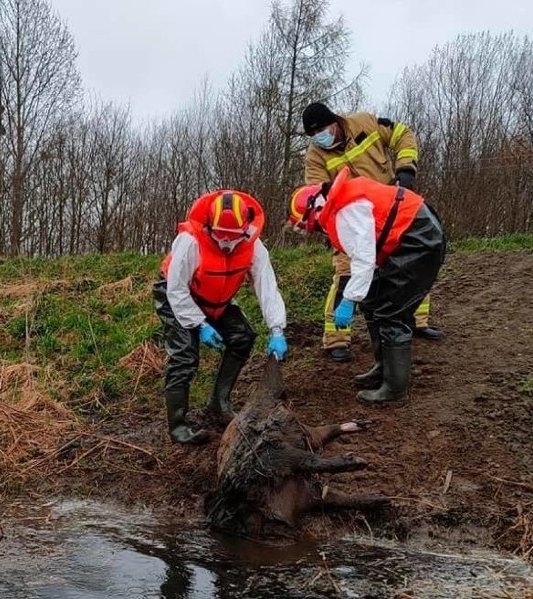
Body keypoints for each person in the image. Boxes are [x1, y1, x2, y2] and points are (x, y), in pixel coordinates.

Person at [287, 167, 445, 405]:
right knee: (372, 300)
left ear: (315, 209)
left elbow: (363, 258)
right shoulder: (342, 204)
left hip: (419, 240)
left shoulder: (344, 212)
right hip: (411, 236)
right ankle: (384, 368)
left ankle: (394, 390)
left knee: (392, 312)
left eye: (309, 225)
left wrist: (349, 300)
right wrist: (359, 296)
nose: (314, 230)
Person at [301, 101, 443, 363]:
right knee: (345, 273)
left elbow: (402, 135)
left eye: (322, 130)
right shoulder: (314, 156)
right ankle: (335, 338)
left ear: (335, 122)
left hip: (390, 209)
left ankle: (417, 321)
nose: (319, 137)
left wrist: (405, 169)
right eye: (313, 135)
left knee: (411, 267)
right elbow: (317, 193)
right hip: (350, 220)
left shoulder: (365, 123)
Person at [153, 190, 288, 444]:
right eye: (220, 236)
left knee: (242, 337)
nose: (226, 243)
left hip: (218, 298)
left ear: (245, 229)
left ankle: (219, 402)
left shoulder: (254, 246)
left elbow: (266, 286)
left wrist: (277, 330)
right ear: (209, 226)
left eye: (233, 237)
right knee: (184, 356)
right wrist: (200, 325)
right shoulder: (190, 241)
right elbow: (176, 289)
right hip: (178, 295)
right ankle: (178, 426)